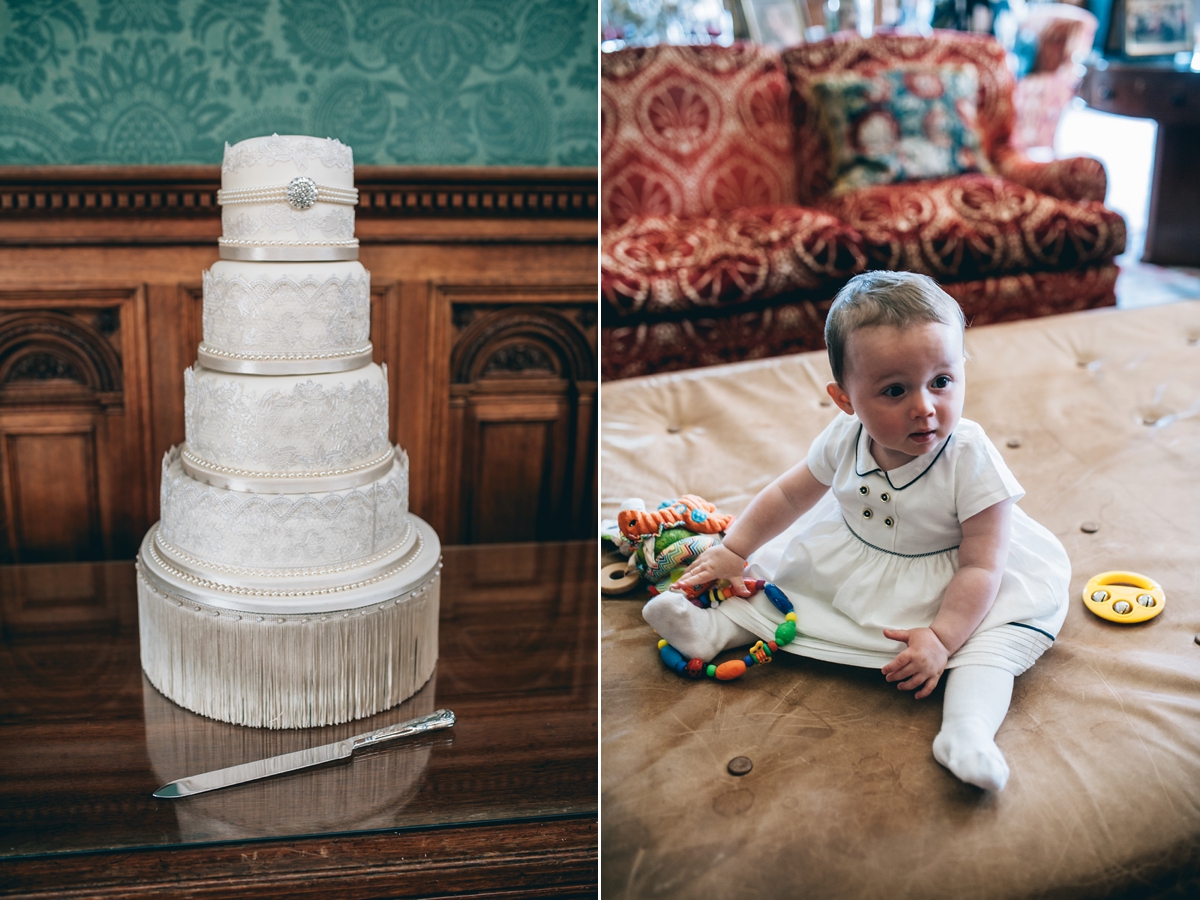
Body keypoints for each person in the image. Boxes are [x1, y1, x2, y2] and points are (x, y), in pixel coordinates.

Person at [642, 271, 1070, 792]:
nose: (925, 406)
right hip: (857, 554)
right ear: (845, 399)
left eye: (942, 381)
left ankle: (967, 732)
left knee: (988, 646)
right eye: (894, 390)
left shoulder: (970, 458)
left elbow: (983, 564)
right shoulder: (845, 437)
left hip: (960, 579)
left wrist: (941, 637)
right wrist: (733, 551)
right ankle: (710, 633)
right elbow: (788, 494)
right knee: (781, 586)